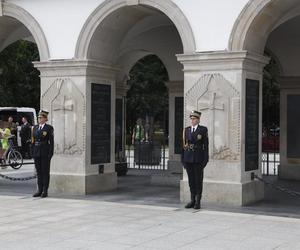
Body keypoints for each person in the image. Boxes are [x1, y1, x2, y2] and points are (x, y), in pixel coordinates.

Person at [181, 110, 209, 209]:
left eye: (194, 119)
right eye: (191, 119)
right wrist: (183, 159)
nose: (192, 120)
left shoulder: (203, 130)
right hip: (188, 158)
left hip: (198, 158)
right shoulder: (187, 130)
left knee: (198, 180)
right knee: (191, 180)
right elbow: (183, 146)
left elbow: (206, 146)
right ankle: (192, 200)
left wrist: (205, 160)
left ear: (198, 119)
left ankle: (198, 201)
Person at [32, 110, 54, 198]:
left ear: (45, 119)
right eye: (38, 117)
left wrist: (50, 153)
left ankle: (45, 190)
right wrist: (32, 152)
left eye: (41, 117)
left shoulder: (49, 128)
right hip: (36, 152)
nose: (39, 119)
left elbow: (51, 142)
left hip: (45, 152)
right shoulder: (35, 128)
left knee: (45, 172)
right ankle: (39, 190)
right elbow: (33, 141)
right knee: (38, 172)